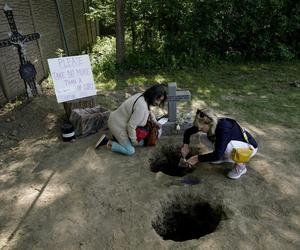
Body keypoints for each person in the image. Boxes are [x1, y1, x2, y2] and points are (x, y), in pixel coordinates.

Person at [181, 108, 258, 179]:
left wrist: (196, 158)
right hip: (235, 144)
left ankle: (241, 167)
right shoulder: (209, 123)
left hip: (248, 148)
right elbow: (188, 132)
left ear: (209, 123)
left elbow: (216, 155)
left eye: (201, 127)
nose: (199, 129)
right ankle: (225, 156)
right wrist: (185, 145)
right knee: (203, 137)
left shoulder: (223, 129)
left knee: (228, 147)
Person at [95, 84, 167, 155]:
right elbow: (131, 126)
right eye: (157, 99)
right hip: (117, 125)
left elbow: (149, 111)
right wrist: (134, 141)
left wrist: (155, 122)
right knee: (130, 150)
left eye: (160, 100)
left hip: (117, 120)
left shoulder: (142, 96)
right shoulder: (141, 107)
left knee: (143, 142)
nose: (158, 103)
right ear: (152, 95)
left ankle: (116, 137)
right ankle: (106, 142)